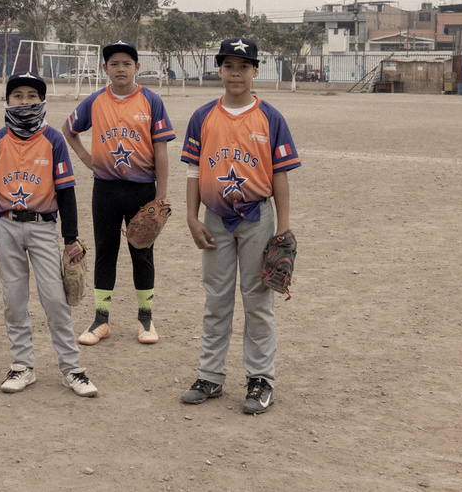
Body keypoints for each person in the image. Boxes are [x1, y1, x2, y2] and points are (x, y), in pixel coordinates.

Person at [179, 37, 300, 414]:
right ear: (219, 70)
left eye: (243, 66)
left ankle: (261, 379)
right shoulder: (203, 116)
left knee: (258, 300)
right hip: (215, 218)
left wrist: (283, 228)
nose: (236, 73)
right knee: (216, 300)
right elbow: (194, 171)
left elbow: (280, 175)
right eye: (229, 66)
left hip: (257, 218)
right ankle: (210, 376)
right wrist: (190, 217)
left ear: (255, 71)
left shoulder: (270, 117)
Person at [0, 71, 98, 397]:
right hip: (5, 226)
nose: (24, 101)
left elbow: (66, 191)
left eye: (32, 95)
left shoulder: (53, 139)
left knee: (56, 300)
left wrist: (71, 237)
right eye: (17, 95)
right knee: (14, 300)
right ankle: (22, 366)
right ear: (7, 100)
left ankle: (72, 369)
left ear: (42, 100)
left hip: (42, 226)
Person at [62, 40, 176, 345]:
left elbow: (162, 152)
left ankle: (145, 319)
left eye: (127, 63)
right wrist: (86, 158)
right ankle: (101, 320)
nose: (121, 68)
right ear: (105, 69)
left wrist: (160, 197)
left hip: (142, 190)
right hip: (106, 189)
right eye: (114, 64)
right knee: (105, 252)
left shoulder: (151, 101)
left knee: (142, 253)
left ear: (137, 67)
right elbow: (68, 128)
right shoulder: (95, 101)